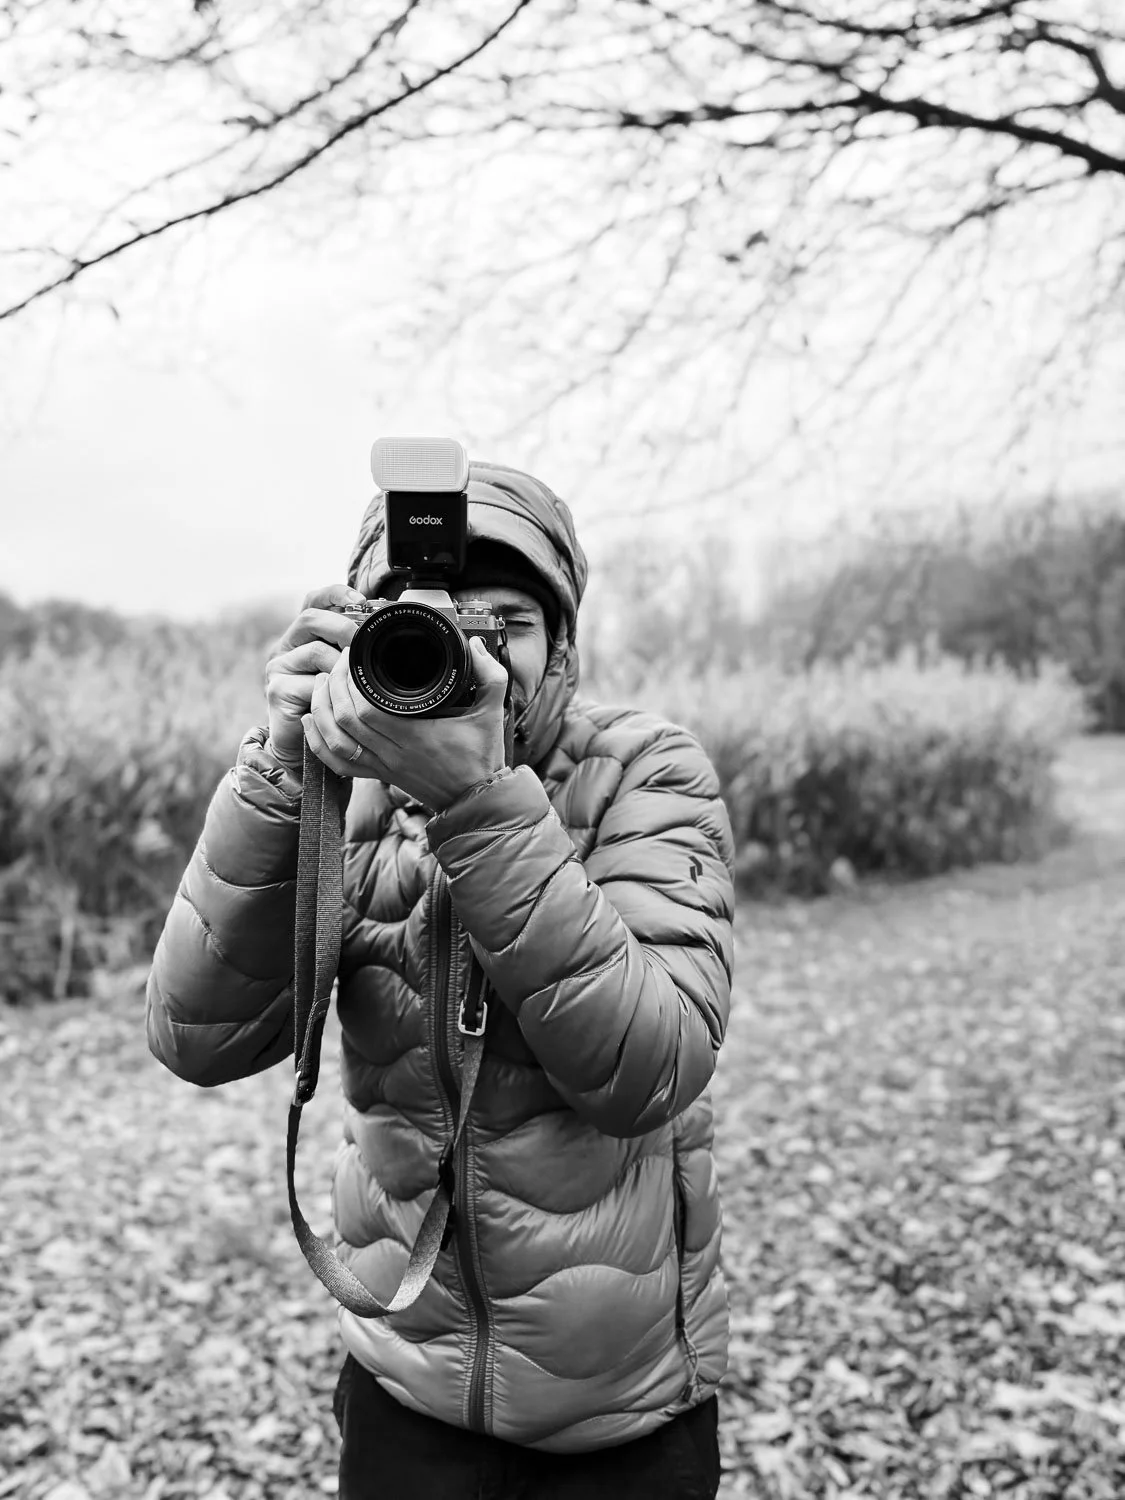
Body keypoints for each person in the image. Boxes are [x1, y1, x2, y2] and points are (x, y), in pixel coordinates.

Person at [146, 460, 737, 1500]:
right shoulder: (345, 798)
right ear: (359, 636)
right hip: (404, 1390)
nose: (471, 649)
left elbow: (655, 1065)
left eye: (506, 618)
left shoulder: (646, 771)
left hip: (619, 1415)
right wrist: (281, 766)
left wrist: (478, 803)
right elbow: (197, 1035)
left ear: (563, 647)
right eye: (429, 620)